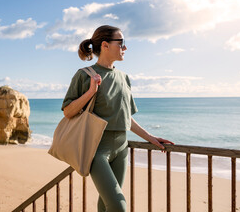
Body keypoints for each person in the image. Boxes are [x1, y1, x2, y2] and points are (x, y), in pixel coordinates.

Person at [61, 25, 174, 212]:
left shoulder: (124, 77)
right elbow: (68, 111)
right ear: (105, 45)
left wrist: (152, 138)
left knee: (106, 205)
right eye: (121, 43)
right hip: (97, 149)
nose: (125, 48)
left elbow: (126, 117)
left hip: (122, 149)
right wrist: (91, 92)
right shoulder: (84, 74)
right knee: (118, 205)